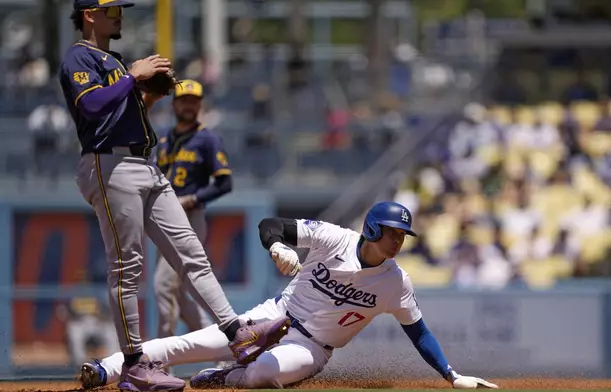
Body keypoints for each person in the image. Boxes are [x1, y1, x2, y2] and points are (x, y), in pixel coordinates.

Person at [58, 2, 290, 391]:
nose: (120, 14)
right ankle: (134, 366)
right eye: (111, 8)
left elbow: (118, 107)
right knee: (126, 269)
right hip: (109, 165)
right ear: (89, 15)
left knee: (192, 255)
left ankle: (237, 334)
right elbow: (93, 106)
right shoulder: (78, 56)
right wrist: (133, 76)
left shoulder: (111, 59)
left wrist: (148, 93)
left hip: (144, 164)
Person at [79, 202, 499, 390]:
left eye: (402, 235)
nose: (397, 241)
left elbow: (419, 333)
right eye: (391, 232)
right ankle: (104, 370)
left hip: (312, 347)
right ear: (372, 229)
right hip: (272, 315)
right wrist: (278, 247)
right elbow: (270, 224)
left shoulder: (396, 282)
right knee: (190, 343)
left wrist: (450, 375)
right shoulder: (335, 238)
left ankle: (226, 377)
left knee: (263, 374)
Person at [153, 79, 232, 340]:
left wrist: (192, 199)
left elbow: (224, 183)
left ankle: (161, 360)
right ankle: (221, 345)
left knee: (164, 286)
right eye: (184, 100)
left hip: (188, 217)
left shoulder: (207, 138)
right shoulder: (164, 137)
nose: (189, 105)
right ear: (174, 103)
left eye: (194, 101)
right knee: (178, 290)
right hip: (163, 217)